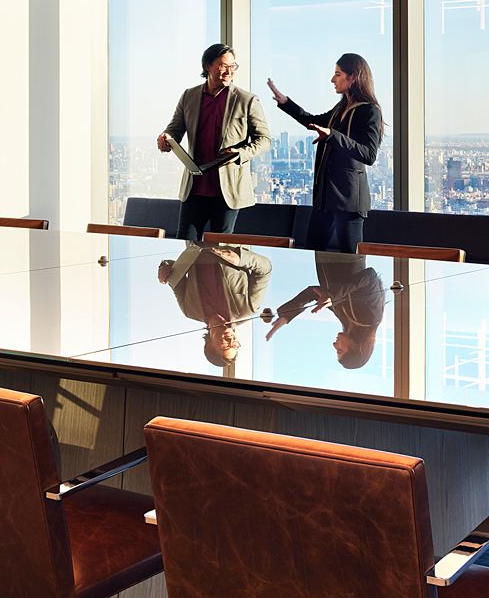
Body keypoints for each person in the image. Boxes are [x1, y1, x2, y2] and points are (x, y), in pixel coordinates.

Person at [156, 43, 274, 243]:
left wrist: (240, 154)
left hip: (228, 190)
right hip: (195, 187)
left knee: (220, 251)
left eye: (233, 66)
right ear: (207, 66)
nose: (229, 71)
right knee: (187, 246)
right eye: (223, 65)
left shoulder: (247, 100)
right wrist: (165, 138)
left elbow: (264, 140)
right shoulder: (189, 96)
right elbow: (174, 129)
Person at [266, 52, 383, 253]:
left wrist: (332, 135)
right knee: (315, 254)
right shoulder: (341, 107)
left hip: (349, 202)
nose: (332, 79)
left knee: (350, 264)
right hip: (324, 199)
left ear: (353, 77)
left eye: (337, 74)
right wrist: (285, 102)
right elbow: (313, 121)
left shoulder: (369, 111)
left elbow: (368, 154)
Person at [266, 250, 386, 371]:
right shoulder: (372, 318)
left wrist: (286, 316)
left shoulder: (344, 317)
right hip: (347, 250)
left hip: (323, 254)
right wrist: (332, 295)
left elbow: (314, 293)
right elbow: (370, 276)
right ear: (356, 348)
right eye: (340, 350)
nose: (334, 345)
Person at [158, 240, 270, 369]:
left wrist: (164, 270)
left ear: (209, 345)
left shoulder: (189, 311)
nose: (231, 341)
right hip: (230, 236)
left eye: (226, 346)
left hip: (196, 239)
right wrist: (240, 259)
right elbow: (265, 269)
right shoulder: (248, 309)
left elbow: (174, 275)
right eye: (234, 345)